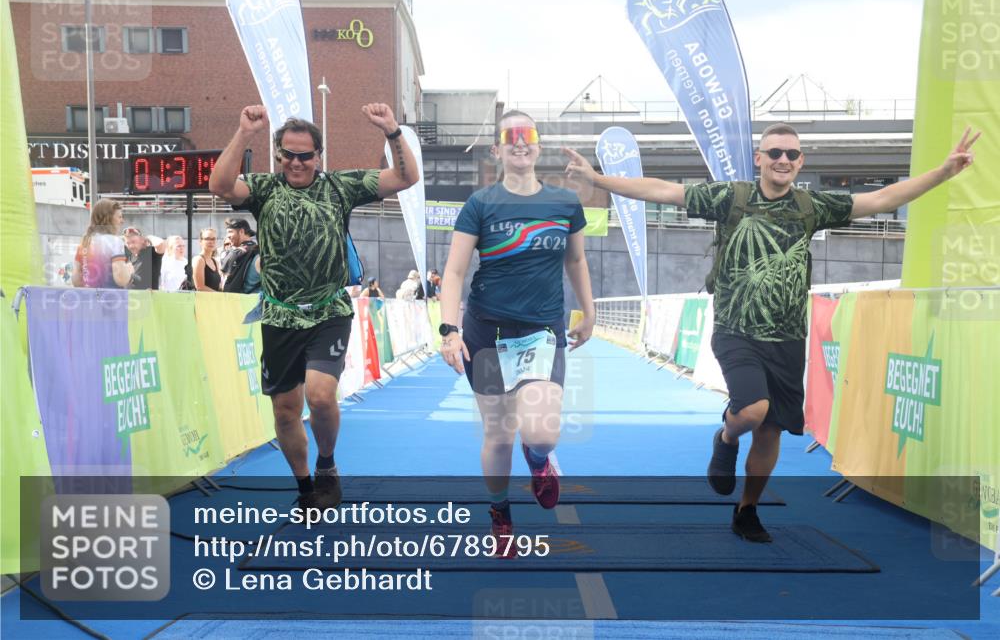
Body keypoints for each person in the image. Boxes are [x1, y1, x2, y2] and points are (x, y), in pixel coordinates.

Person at [564, 123, 981, 542]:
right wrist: (597, 179)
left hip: (788, 338)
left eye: (792, 155)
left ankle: (747, 510)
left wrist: (943, 172)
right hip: (736, 329)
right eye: (775, 152)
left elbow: (881, 199)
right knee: (751, 411)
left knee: (770, 431)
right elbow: (662, 191)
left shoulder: (811, 205)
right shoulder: (732, 198)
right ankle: (726, 436)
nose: (783, 160)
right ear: (759, 158)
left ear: (801, 162)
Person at [208, 103, 418, 510]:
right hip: (280, 314)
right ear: (279, 155)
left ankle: (327, 467)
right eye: (288, 154)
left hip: (328, 311)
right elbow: (220, 186)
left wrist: (392, 131)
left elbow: (407, 177)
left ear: (319, 156)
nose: (297, 162)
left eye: (305, 155)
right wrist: (244, 133)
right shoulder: (266, 189)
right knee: (286, 412)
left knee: (321, 396)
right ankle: (306, 488)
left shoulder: (341, 186)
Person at [440, 109, 596, 557]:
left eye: (527, 135)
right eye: (510, 136)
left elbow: (576, 262)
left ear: (538, 145)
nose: (519, 143)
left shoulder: (565, 203)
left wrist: (589, 311)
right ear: (497, 149)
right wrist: (450, 330)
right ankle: (500, 512)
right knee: (498, 434)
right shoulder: (481, 204)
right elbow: (453, 272)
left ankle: (539, 460)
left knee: (541, 431)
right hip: (486, 333)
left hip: (541, 332)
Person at [72, 198, 132, 289]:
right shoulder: (114, 242)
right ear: (108, 219)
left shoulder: (84, 243)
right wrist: (129, 270)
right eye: (119, 217)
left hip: (87, 300)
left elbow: (76, 281)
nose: (122, 221)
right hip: (110, 301)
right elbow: (121, 279)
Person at [221, 218, 261, 294]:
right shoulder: (259, 252)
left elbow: (223, 284)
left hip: (235, 301)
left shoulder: (234, 253)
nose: (228, 236)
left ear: (241, 231)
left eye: (230, 232)